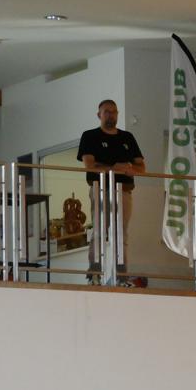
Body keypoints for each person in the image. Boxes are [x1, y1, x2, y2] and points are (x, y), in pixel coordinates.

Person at [76, 99, 144, 284]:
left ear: (117, 114)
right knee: (99, 231)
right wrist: (115, 168)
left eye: (114, 112)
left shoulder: (127, 137)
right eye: (106, 111)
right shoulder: (90, 136)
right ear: (99, 115)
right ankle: (94, 274)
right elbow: (89, 166)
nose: (110, 115)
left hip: (124, 190)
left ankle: (121, 276)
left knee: (122, 234)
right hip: (101, 188)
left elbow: (141, 167)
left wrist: (129, 169)